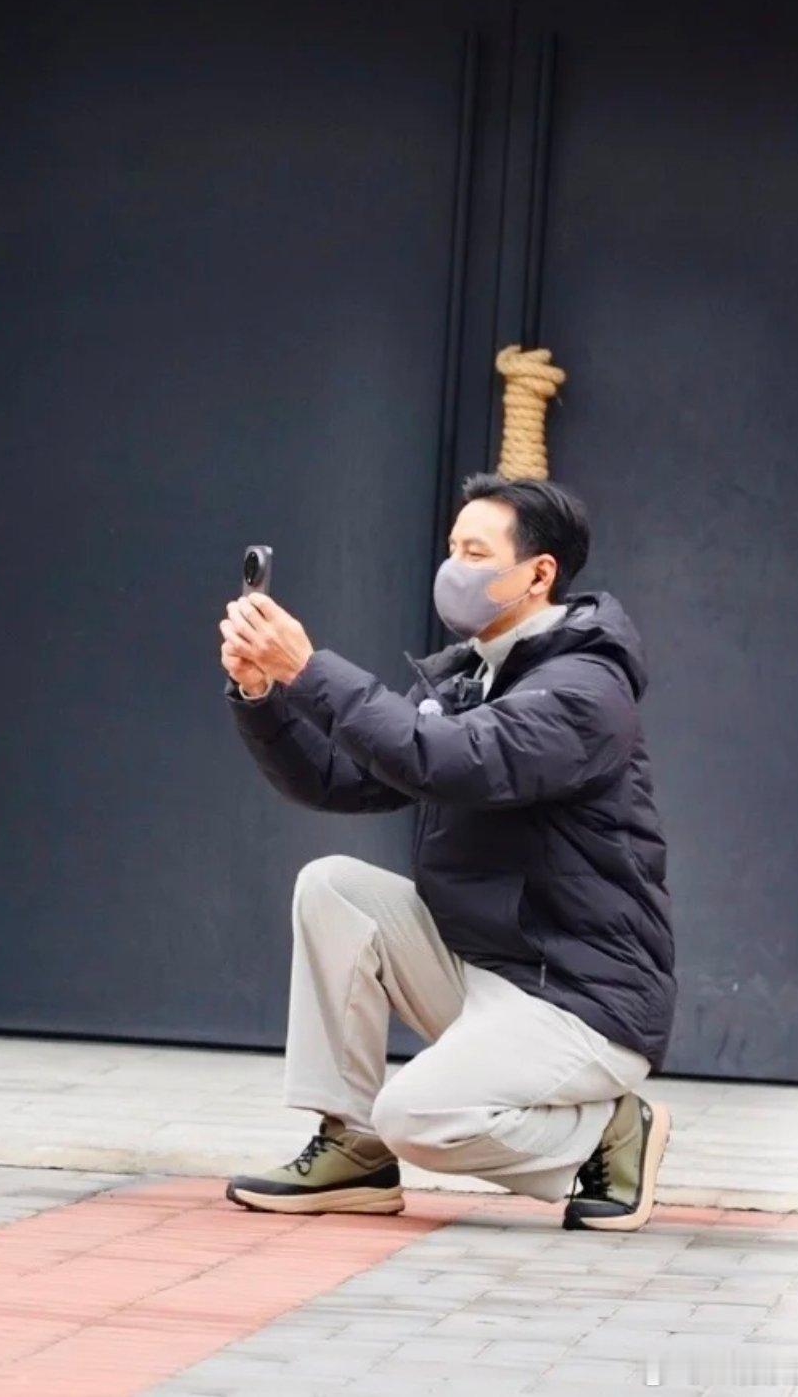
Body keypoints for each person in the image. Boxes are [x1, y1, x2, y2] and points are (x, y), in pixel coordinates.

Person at [218, 472, 677, 1232]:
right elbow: (341, 777)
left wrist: (309, 668)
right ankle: (353, 1146)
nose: (453, 568)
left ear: (539, 573)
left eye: (476, 552)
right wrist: (263, 696)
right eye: (452, 548)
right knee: (333, 886)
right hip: (485, 966)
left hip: (580, 995)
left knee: (417, 1116)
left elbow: (452, 761)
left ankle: (610, 1128)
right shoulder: (471, 674)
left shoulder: (584, 690)